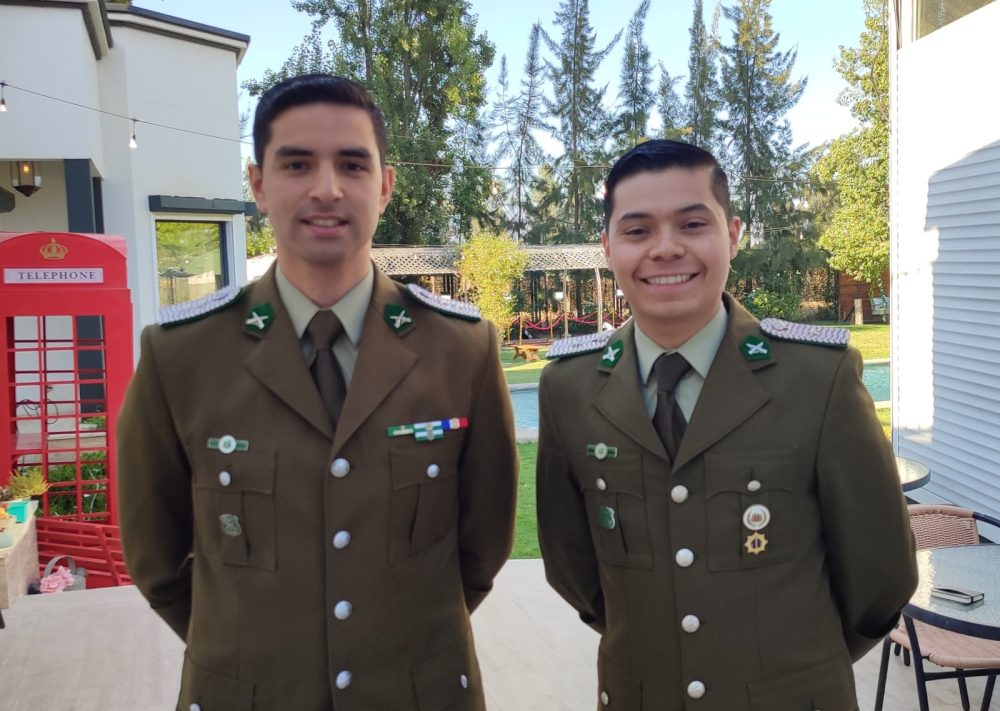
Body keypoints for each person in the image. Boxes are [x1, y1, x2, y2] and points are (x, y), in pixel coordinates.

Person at [118, 74, 518, 711]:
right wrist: (253, 644)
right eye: (297, 163)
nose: (326, 189)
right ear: (258, 185)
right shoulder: (181, 355)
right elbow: (156, 558)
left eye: (352, 165)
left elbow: (481, 548)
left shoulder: (459, 349)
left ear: (384, 186)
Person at [536, 139, 917, 710]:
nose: (666, 249)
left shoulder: (817, 379)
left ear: (733, 234)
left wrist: (791, 666)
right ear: (607, 246)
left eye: (692, 224)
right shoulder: (569, 386)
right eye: (637, 231)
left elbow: (881, 574)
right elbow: (574, 569)